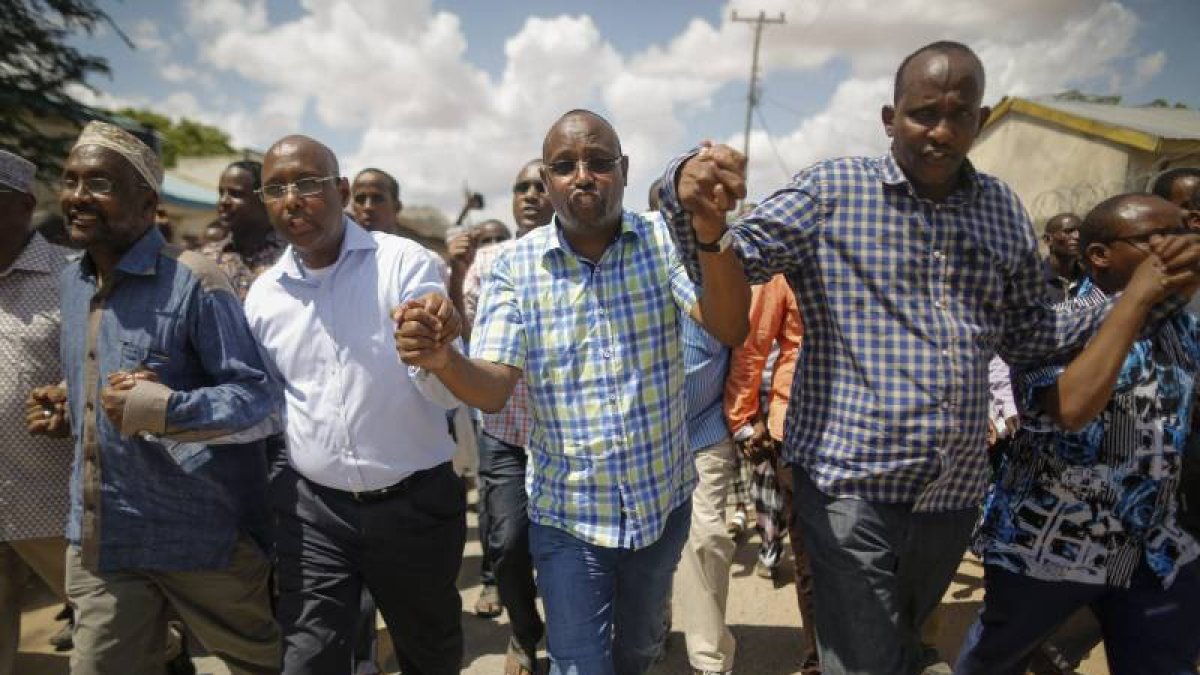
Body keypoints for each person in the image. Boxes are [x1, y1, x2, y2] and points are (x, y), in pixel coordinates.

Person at [658, 41, 1200, 675]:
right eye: (923, 114)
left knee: (908, 643)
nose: (941, 131)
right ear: (891, 118)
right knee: (864, 659)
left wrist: (1128, 298)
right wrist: (684, 187)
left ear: (980, 116)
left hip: (951, 493)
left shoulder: (1000, 210)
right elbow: (733, 254)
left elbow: (1033, 335)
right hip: (847, 486)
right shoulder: (833, 192)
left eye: (960, 114)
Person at [394, 109, 748, 675]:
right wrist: (444, 359)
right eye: (564, 166)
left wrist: (709, 233)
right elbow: (492, 390)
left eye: (598, 162)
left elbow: (730, 326)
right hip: (569, 516)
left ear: (624, 171)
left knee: (638, 650)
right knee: (579, 663)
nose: (582, 176)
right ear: (549, 178)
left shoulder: (661, 239)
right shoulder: (514, 265)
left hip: (660, 505)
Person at [30, 120, 281, 675]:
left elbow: (259, 398)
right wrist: (73, 403)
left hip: (200, 538)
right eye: (69, 181)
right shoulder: (72, 281)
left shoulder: (194, 281)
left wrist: (167, 409)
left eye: (97, 183)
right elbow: (110, 375)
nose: (75, 197)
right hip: (104, 539)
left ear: (147, 201)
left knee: (266, 664)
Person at [244, 135, 466, 675]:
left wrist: (435, 355)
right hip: (315, 514)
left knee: (428, 653)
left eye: (306, 184)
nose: (291, 199)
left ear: (341, 191)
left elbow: (446, 392)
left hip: (414, 506)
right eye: (275, 189)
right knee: (308, 658)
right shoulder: (264, 298)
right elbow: (268, 406)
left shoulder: (404, 264)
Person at [956, 193, 1200, 674]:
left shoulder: (1183, 327)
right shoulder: (1055, 324)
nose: (1180, 246)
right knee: (993, 663)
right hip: (1051, 550)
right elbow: (1071, 408)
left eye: (1183, 233)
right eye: (1158, 237)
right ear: (1099, 256)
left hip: (1154, 548)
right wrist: (1137, 299)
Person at [458, 159, 553, 674]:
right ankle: (524, 631)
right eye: (522, 187)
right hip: (504, 432)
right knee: (508, 542)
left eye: (541, 185)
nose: (532, 194)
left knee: (569, 548)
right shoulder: (488, 260)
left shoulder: (582, 256)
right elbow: (464, 327)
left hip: (567, 436)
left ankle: (571, 636)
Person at [0, 150, 75, 675]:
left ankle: (166, 654)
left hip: (50, 502)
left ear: (24, 205)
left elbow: (101, 363)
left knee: (107, 621)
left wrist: (72, 397)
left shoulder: (73, 279)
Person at [722, 273, 819, 674]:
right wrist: (744, 418)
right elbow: (753, 340)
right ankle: (818, 659)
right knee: (812, 559)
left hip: (877, 432)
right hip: (798, 432)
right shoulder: (790, 260)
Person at [202, 160, 286, 301]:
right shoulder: (208, 259)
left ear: (264, 198)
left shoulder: (291, 256)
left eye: (235, 194)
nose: (224, 201)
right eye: (221, 193)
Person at [1042, 213, 1084, 300]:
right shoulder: (1035, 281)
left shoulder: (1091, 278)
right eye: (1068, 231)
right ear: (1048, 240)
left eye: (1081, 231)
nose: (1077, 236)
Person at [350, 168, 403, 234]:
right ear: (353, 207)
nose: (367, 207)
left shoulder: (411, 244)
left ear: (397, 207)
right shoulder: (342, 243)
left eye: (377, 199)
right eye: (360, 199)